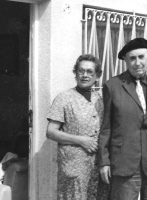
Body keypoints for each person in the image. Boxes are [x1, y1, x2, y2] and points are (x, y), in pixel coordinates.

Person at [98, 38, 147, 200]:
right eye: (132, 58)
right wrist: (104, 161)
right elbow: (106, 127)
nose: (137, 63)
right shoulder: (112, 86)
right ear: (125, 61)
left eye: (141, 57)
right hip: (124, 161)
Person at [46, 54, 108, 200]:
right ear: (75, 73)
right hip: (74, 165)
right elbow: (51, 132)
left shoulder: (101, 99)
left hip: (97, 165)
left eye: (90, 72)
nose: (85, 75)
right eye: (81, 71)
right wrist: (81, 140)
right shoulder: (64, 98)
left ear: (97, 76)